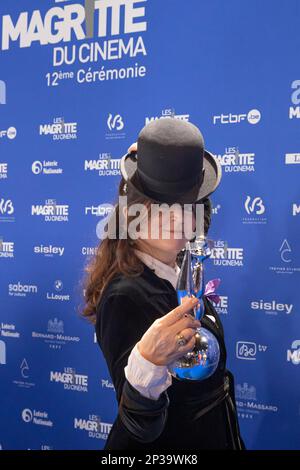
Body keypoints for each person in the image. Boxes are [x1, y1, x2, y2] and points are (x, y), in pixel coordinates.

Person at [83, 118, 245, 450]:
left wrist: (168, 162)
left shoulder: (181, 270)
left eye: (186, 205)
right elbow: (141, 427)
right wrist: (147, 364)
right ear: (134, 213)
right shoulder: (125, 295)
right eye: (160, 206)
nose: (177, 218)